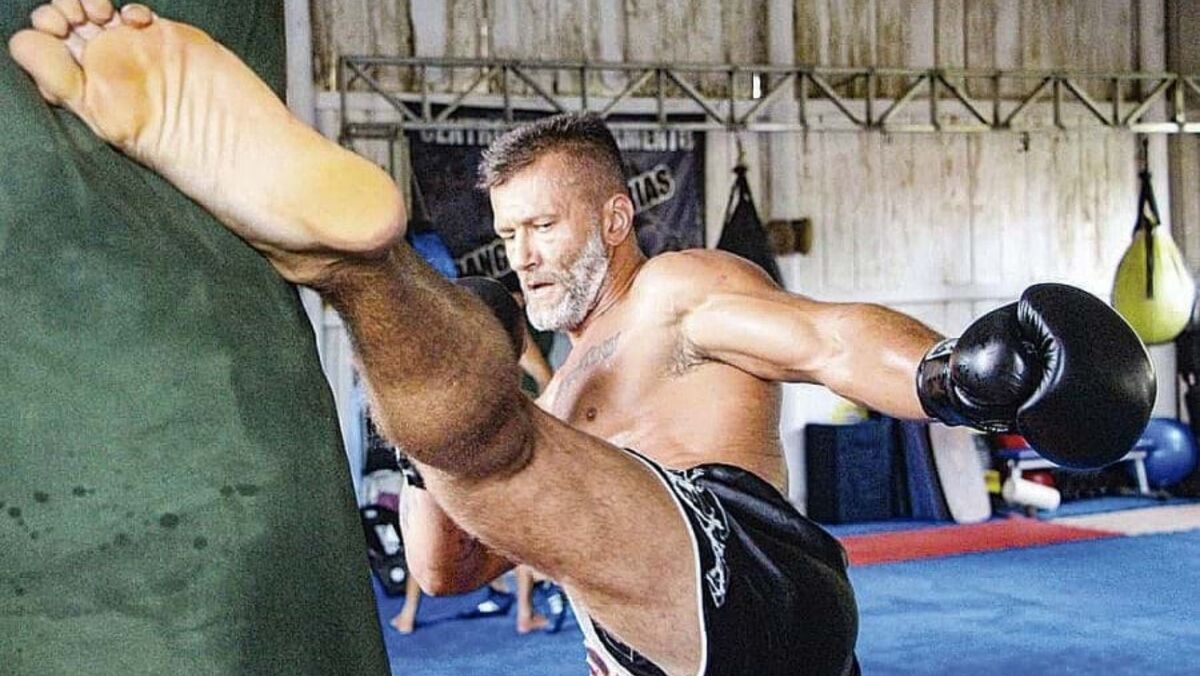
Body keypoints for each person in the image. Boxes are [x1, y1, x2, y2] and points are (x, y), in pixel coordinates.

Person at [8, 5, 1156, 674]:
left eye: (543, 227)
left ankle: (354, 268)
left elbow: (821, 340)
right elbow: (454, 567)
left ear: (613, 217)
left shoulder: (676, 294)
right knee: (487, 437)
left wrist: (950, 375)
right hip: (660, 650)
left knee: (490, 437)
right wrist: (431, 433)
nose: (525, 256)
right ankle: (373, 290)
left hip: (749, 576)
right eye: (508, 236)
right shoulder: (555, 401)